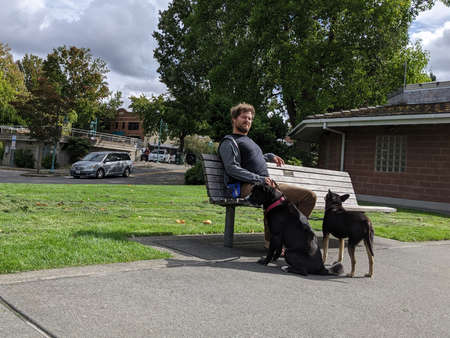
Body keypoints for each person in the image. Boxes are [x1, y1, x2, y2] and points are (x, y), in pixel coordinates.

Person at [218, 102, 317, 247]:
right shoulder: (229, 142)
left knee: (309, 197)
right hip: (245, 187)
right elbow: (232, 168)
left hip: (266, 183)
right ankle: (272, 242)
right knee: (269, 194)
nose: (247, 121)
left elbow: (252, 161)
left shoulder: (250, 141)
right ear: (234, 119)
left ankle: (291, 235)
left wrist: (269, 156)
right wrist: (260, 179)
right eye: (244, 117)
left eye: (250, 119)